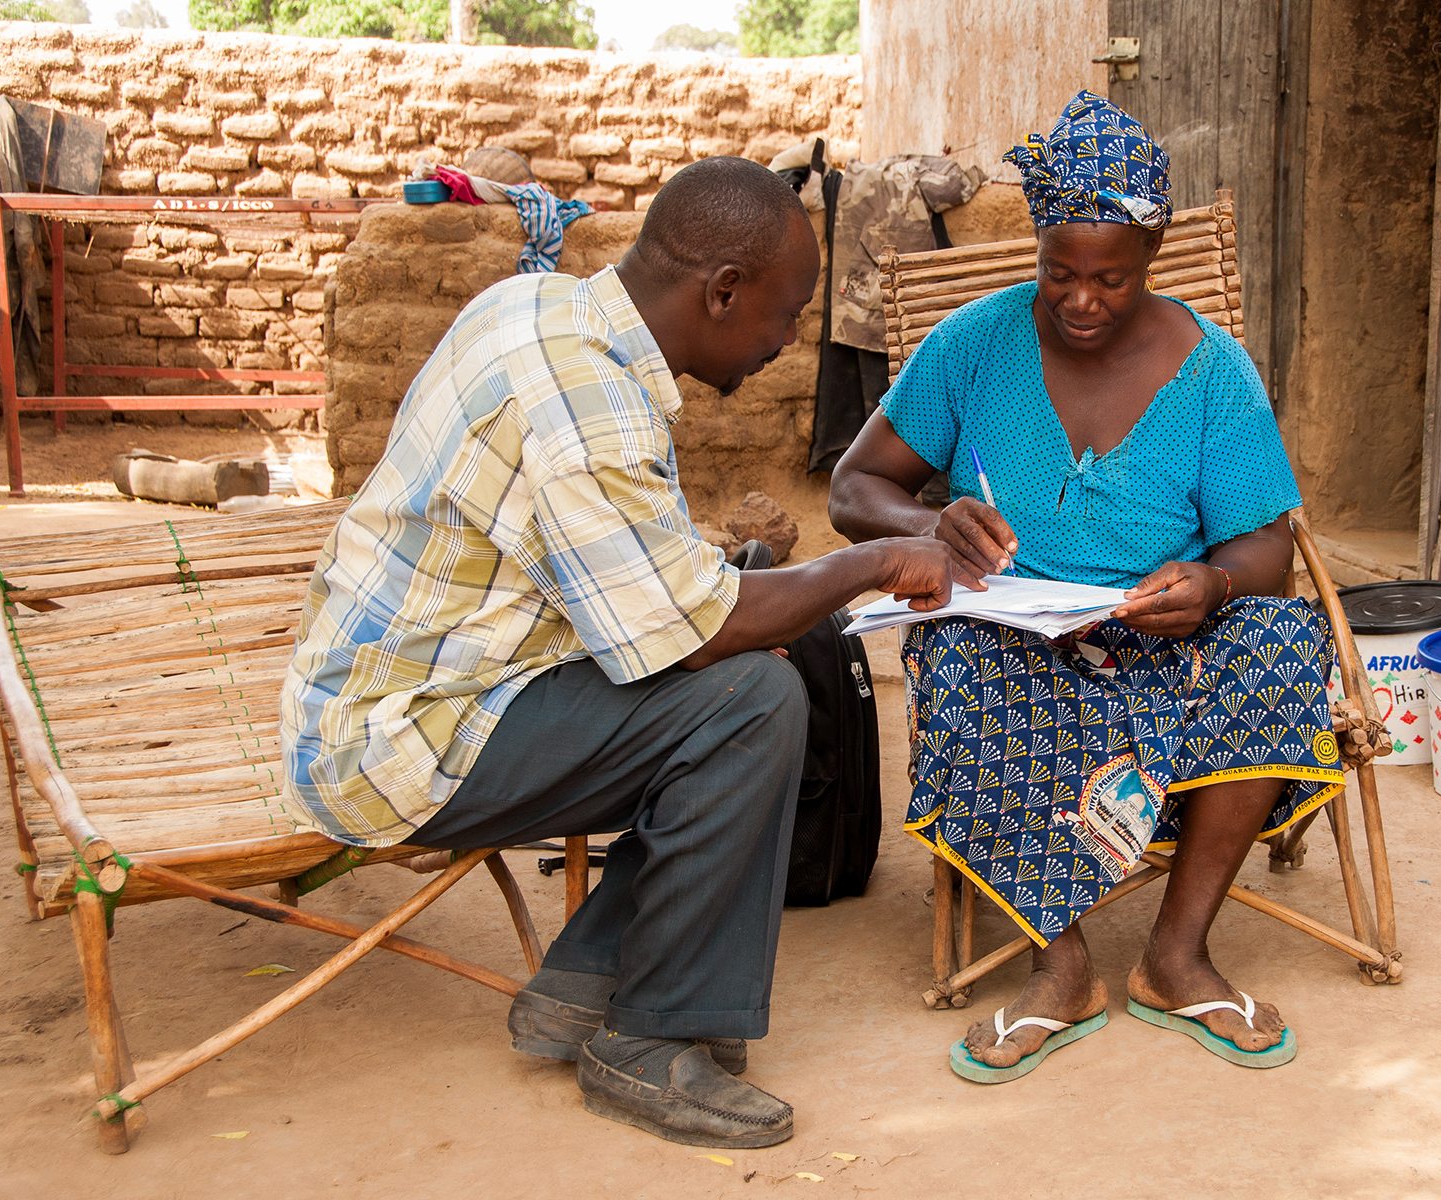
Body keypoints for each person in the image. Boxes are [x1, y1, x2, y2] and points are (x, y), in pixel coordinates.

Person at [280, 157, 960, 1148]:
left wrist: (785, 573)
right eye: (786, 311)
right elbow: (700, 632)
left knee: (747, 686)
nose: (787, 340)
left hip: (423, 685)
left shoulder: (541, 308)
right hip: (401, 739)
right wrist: (878, 562)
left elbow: (650, 585)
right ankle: (649, 1040)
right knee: (753, 702)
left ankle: (584, 984)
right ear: (722, 292)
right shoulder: (587, 405)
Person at [828, 92, 1345, 1081]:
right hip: (1018, 642)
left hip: (1170, 643)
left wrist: (1210, 582)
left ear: (1150, 259)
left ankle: (1176, 954)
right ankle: (1059, 965)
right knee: (952, 653)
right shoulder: (973, 347)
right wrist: (926, 522)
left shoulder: (1213, 370)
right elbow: (857, 487)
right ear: (1037, 252)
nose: (1080, 298)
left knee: (1283, 641)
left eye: (1109, 277)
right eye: (1058, 271)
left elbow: (1266, 552)